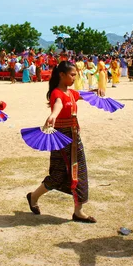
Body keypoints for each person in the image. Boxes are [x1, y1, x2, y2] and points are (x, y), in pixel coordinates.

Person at [26, 61, 97, 223]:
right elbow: (57, 105)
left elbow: (83, 94)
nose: (74, 77)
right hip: (60, 138)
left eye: (75, 75)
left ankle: (78, 212)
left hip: (74, 138)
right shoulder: (56, 93)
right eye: (72, 75)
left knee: (80, 172)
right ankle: (33, 197)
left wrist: (94, 91)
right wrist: (53, 116)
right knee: (58, 175)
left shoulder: (71, 93)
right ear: (62, 75)